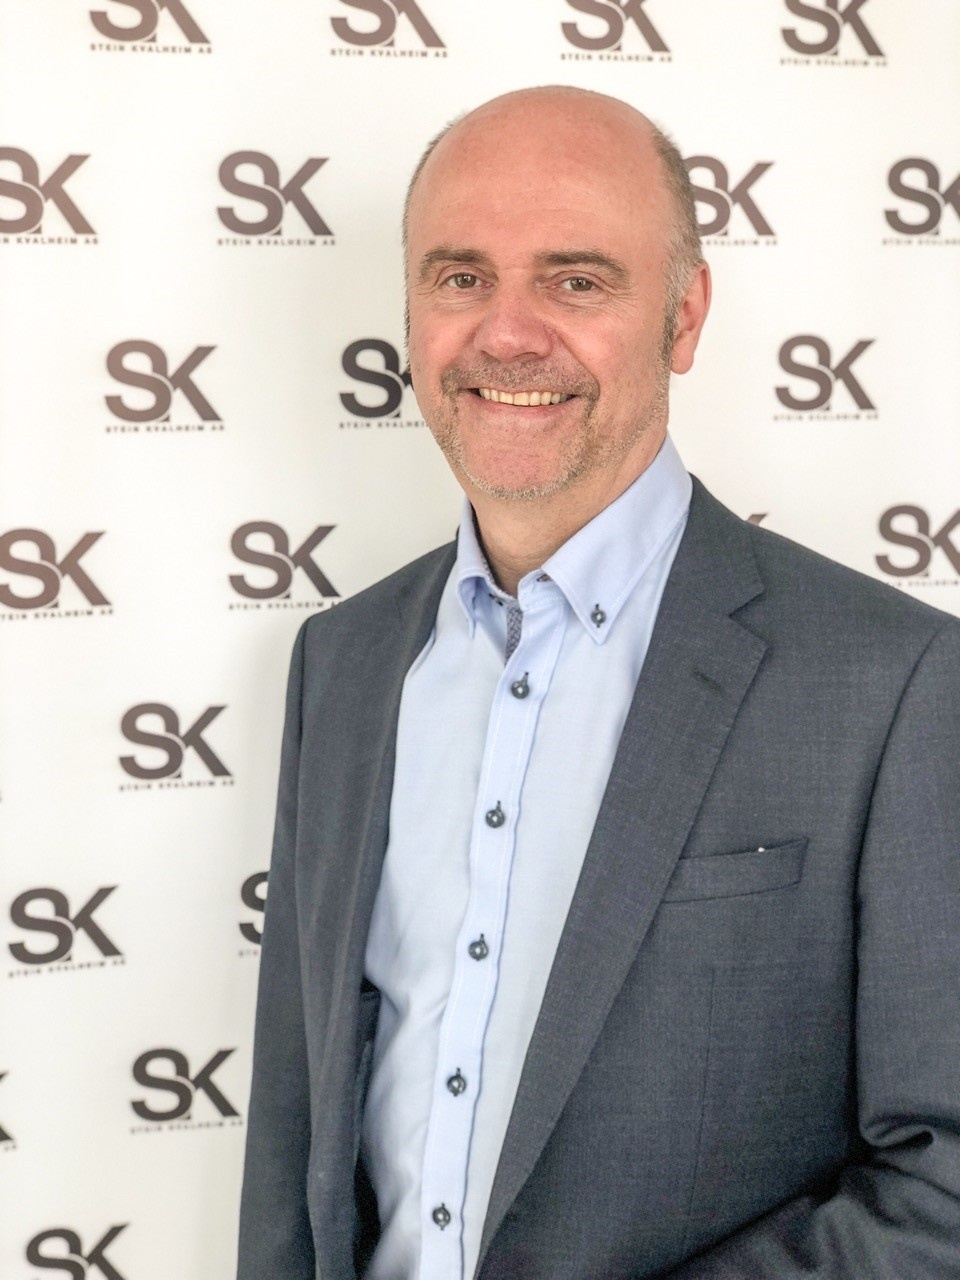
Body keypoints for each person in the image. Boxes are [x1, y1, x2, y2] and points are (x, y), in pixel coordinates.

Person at [237, 87, 960, 1280]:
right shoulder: (344, 661)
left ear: (684, 315)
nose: (508, 333)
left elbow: (944, 1185)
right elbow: (295, 1138)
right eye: (461, 277)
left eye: (576, 280)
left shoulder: (895, 683)